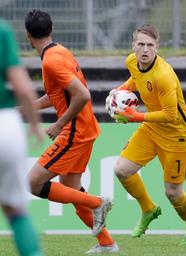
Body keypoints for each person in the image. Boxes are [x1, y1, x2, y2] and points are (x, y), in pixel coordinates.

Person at [24, 9, 119, 254]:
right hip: (85, 128)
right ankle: (107, 244)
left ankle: (98, 202)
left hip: (75, 131)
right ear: (51, 29)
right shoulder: (60, 52)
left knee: (33, 183)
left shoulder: (50, 61)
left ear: (27, 36)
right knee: (72, 190)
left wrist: (59, 123)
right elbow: (59, 94)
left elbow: (82, 94)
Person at [106, 24, 186, 245]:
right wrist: (120, 92)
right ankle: (148, 209)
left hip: (177, 134)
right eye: (140, 44)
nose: (145, 50)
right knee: (122, 170)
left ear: (157, 48)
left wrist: (133, 116)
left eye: (150, 45)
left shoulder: (164, 76)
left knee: (173, 193)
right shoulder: (132, 61)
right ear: (133, 46)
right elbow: (135, 80)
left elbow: (170, 115)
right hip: (152, 128)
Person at [0, 19, 44, 256]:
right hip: (5, 126)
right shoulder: (2, 31)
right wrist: (35, 125)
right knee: (15, 208)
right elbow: (23, 88)